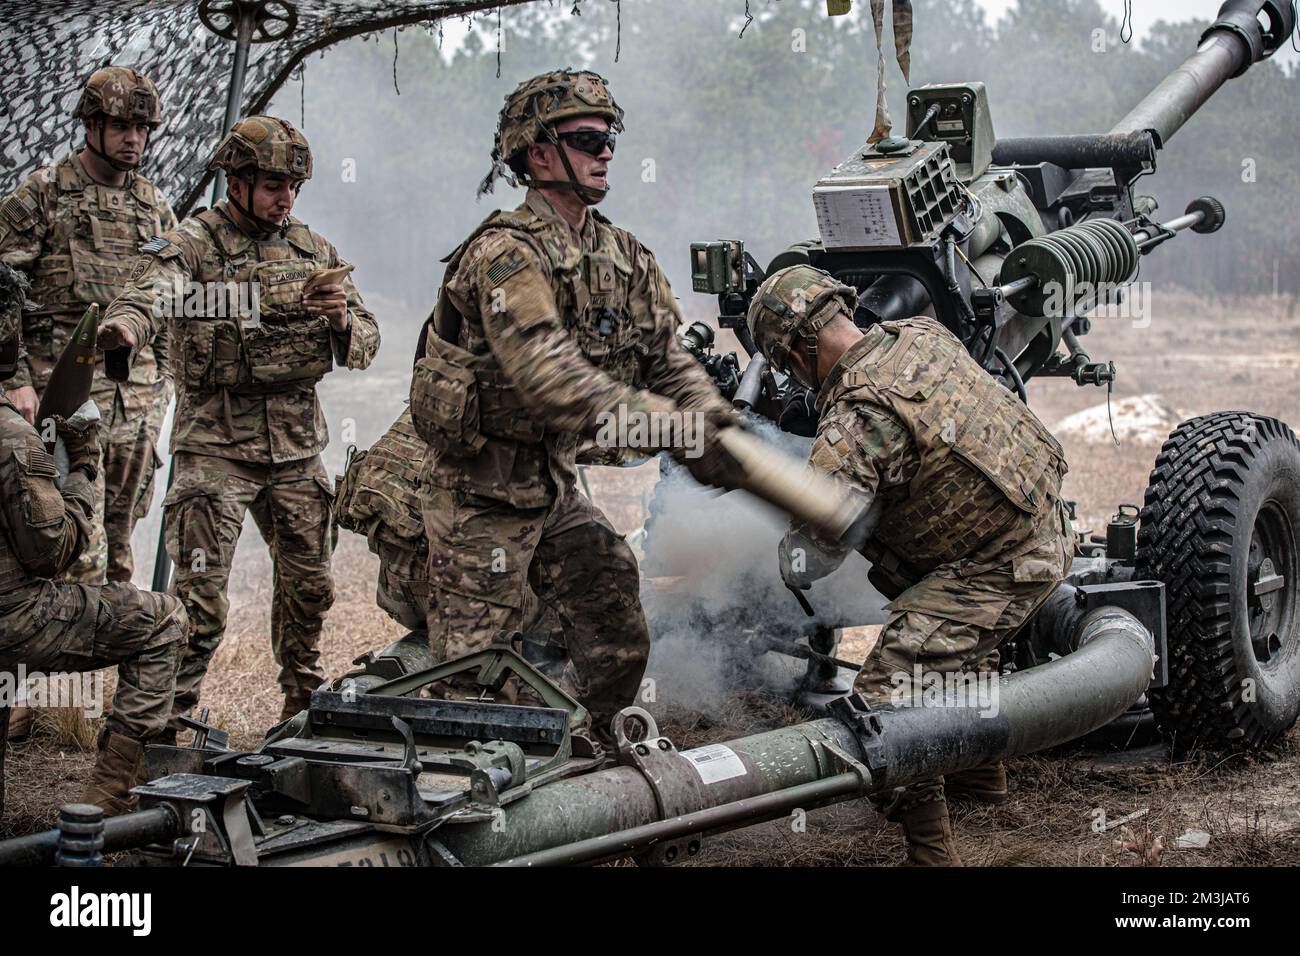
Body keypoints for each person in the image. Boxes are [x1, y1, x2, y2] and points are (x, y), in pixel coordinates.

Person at [411, 69, 742, 745]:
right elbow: (550, 380)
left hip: (550, 485)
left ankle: (583, 754)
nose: (606, 153)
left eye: (609, 138)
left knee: (614, 614)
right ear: (539, 155)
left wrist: (714, 421)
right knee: (471, 684)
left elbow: (666, 356)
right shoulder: (503, 255)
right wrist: (675, 427)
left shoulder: (623, 255)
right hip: (478, 493)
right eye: (588, 139)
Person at [749, 264, 1074, 866]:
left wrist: (785, 556)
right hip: (1048, 528)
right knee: (939, 617)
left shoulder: (854, 421)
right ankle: (982, 779)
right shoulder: (921, 335)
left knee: (884, 707)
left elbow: (816, 551)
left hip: (1001, 569)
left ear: (796, 353)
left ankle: (932, 854)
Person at [98, 116, 380, 729]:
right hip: (216, 448)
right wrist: (125, 328)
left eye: (295, 188)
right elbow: (153, 290)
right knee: (199, 605)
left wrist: (339, 323)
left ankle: (301, 713)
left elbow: (367, 341)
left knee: (311, 590)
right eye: (275, 185)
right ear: (238, 180)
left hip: (298, 449)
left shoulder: (313, 250)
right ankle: (160, 730)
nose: (287, 199)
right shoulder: (195, 242)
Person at [0, 261, 185, 816]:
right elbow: (53, 551)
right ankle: (107, 797)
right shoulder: (11, 437)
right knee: (164, 622)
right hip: (12, 619)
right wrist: (82, 462)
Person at [0, 66, 176, 586]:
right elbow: (1, 287)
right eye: (122, 126)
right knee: (65, 535)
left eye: (143, 129)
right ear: (91, 126)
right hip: (63, 399)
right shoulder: (44, 193)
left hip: (137, 403)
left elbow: (166, 296)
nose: (134, 139)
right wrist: (13, 381)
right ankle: (50, 644)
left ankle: (119, 642)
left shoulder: (154, 206)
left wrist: (165, 385)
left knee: (121, 532)